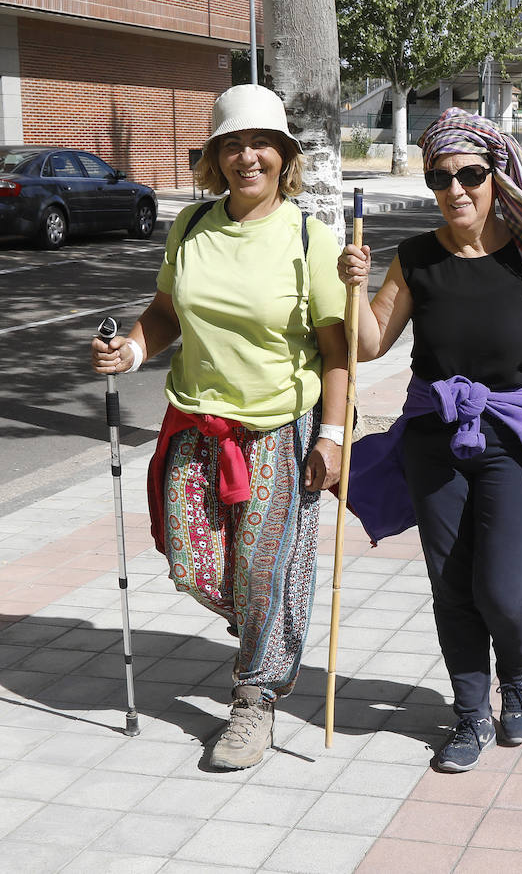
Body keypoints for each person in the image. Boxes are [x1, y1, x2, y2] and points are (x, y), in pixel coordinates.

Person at [338, 108, 522, 774]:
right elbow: (370, 344)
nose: (456, 189)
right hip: (433, 440)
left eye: (469, 174)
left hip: (516, 440)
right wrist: (351, 288)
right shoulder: (416, 259)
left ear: (495, 176)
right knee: (452, 586)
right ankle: (468, 716)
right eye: (441, 178)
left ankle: (516, 680)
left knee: (501, 587)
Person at [91, 84, 348, 770]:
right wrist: (134, 349)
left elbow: (336, 350)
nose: (246, 156)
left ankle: (254, 699)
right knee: (193, 560)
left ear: (284, 156)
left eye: (261, 142)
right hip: (197, 426)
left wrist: (332, 436)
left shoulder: (306, 237)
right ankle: (266, 623)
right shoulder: (192, 226)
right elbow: (166, 312)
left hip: (277, 431)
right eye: (231, 143)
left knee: (264, 569)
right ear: (214, 157)